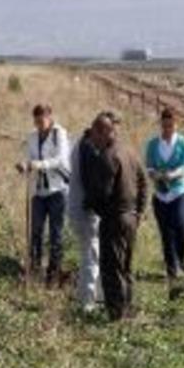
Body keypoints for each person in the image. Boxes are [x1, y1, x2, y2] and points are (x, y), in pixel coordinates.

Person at [85, 113, 147, 321]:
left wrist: (94, 206)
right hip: (130, 218)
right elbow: (144, 182)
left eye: (94, 133)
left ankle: (117, 315)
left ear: (104, 131)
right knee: (126, 267)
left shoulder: (107, 157)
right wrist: (139, 212)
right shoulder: (129, 151)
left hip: (115, 218)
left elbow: (102, 193)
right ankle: (127, 309)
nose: (92, 138)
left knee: (112, 268)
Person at [69, 111, 121, 311]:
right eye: (110, 131)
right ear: (98, 130)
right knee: (91, 255)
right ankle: (87, 302)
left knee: (90, 253)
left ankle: (93, 297)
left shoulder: (83, 143)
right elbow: (92, 185)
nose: (112, 137)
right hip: (85, 210)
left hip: (81, 208)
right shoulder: (89, 150)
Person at [16, 104, 71, 287]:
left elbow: (60, 160)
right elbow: (29, 157)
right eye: (36, 121)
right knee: (36, 231)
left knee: (56, 233)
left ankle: (54, 272)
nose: (39, 124)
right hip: (38, 191)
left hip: (58, 190)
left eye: (42, 120)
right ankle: (35, 267)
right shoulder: (32, 136)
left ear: (50, 117)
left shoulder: (59, 134)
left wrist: (37, 165)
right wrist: (24, 165)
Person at [144, 108, 184, 281]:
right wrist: (155, 175)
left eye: (171, 126)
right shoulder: (152, 144)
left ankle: (181, 258)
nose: (167, 130)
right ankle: (171, 271)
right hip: (160, 195)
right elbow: (149, 167)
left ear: (176, 125)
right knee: (165, 233)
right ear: (161, 125)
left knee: (180, 226)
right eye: (165, 126)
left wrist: (170, 175)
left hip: (179, 192)